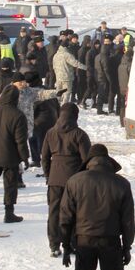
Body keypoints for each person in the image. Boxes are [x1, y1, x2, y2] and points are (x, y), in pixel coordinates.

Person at [59, 143, 135, 270]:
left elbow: (65, 217)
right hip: (111, 243)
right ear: (108, 161)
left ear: (89, 162)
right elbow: (128, 221)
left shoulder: (75, 181)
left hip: (83, 243)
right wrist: (127, 246)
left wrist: (65, 245)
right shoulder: (121, 184)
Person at [41, 103, 91, 256]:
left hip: (55, 178)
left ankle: (54, 245)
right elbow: (86, 160)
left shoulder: (50, 133)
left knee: (54, 211)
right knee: (74, 212)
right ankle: (72, 243)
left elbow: (44, 157)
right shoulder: (80, 135)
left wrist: (49, 174)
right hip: (74, 179)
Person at [0, 85, 29, 224]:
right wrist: (25, 158)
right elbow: (21, 141)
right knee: (10, 185)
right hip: (10, 156)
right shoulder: (18, 115)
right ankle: (9, 213)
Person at [52, 38, 85, 103]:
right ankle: (64, 107)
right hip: (67, 77)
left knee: (59, 92)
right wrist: (86, 68)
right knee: (67, 93)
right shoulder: (67, 55)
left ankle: (56, 105)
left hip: (58, 77)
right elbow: (75, 63)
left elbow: (54, 66)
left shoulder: (56, 55)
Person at [83, 38, 101, 108]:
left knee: (95, 89)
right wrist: (93, 71)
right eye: (96, 44)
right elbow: (88, 64)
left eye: (98, 44)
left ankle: (94, 102)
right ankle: (83, 101)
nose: (97, 45)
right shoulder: (89, 52)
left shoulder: (98, 51)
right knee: (89, 88)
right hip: (90, 73)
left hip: (96, 73)